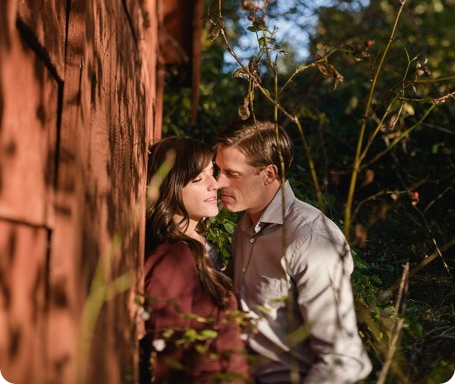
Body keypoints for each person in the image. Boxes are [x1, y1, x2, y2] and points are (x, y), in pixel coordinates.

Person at [215, 119, 372, 384]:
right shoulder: (245, 227)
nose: (219, 183)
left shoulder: (311, 239)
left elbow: (342, 360)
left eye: (231, 174)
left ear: (268, 174)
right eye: (218, 170)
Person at [144, 136, 251, 383]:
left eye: (211, 173)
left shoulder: (197, 251)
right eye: (198, 179)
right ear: (172, 187)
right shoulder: (173, 259)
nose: (214, 184)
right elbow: (171, 364)